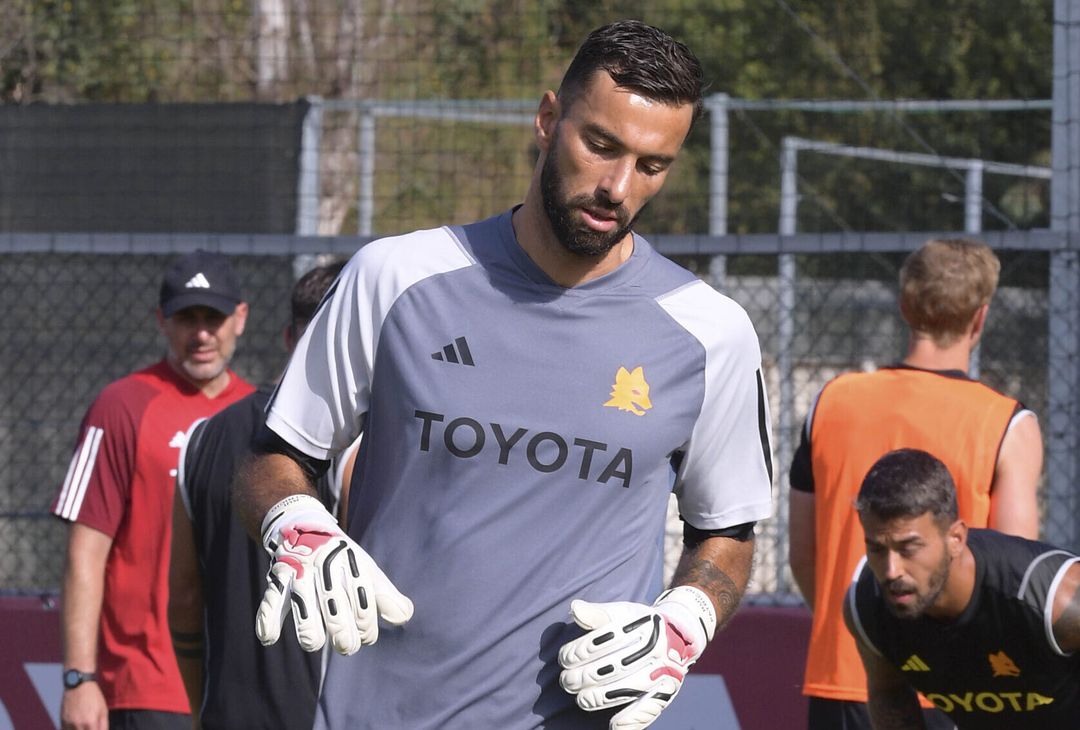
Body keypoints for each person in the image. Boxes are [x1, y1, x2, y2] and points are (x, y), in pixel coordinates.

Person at [233, 19, 774, 730]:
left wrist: (687, 618)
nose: (617, 186)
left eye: (652, 165)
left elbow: (727, 532)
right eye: (601, 145)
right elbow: (272, 459)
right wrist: (294, 523)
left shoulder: (712, 333)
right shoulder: (394, 277)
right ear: (548, 120)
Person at [787, 238, 1044, 729]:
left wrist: (864, 629)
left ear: (904, 307)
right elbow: (1013, 578)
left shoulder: (832, 402)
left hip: (845, 673)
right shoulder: (1006, 423)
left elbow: (803, 555)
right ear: (980, 318)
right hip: (958, 685)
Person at [52, 250, 254, 730]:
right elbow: (86, 553)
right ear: (162, 320)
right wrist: (79, 678)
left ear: (240, 318)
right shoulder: (120, 406)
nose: (201, 334)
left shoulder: (261, 415)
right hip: (144, 686)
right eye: (187, 318)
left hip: (237, 687)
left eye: (213, 318)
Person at [167, 260, 353, 730]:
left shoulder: (200, 439)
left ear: (290, 337)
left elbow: (184, 596)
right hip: (322, 716)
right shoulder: (354, 448)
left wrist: (200, 708)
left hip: (224, 712)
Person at [845, 448, 1080, 729]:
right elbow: (889, 694)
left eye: (908, 548)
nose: (891, 570)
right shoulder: (868, 604)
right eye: (877, 549)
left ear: (955, 538)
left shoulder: (1055, 600)